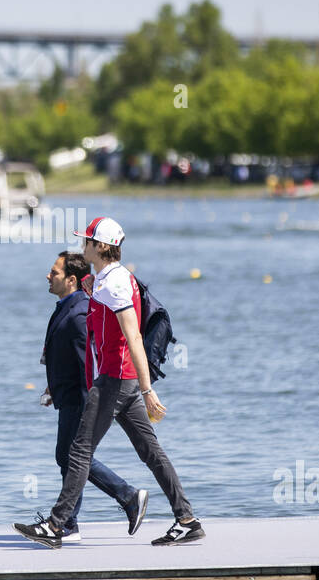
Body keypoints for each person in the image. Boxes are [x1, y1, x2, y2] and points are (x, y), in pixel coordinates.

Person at [15, 217, 203, 549]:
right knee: (150, 452)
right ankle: (186, 519)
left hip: (116, 380)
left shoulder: (114, 283)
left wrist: (148, 391)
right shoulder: (107, 279)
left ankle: (57, 525)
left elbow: (133, 338)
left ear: (101, 247)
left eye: (87, 240)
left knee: (79, 450)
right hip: (122, 380)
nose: (83, 245)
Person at [39, 251, 148, 542]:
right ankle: (71, 521)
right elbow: (62, 353)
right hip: (67, 395)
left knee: (72, 457)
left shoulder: (78, 313)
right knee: (69, 457)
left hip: (80, 399)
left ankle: (126, 497)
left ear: (71, 279)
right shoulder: (67, 306)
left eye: (54, 272)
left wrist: (91, 404)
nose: (48, 276)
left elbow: (88, 362)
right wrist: (52, 386)